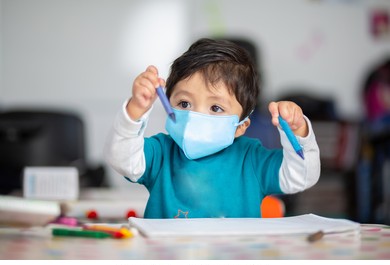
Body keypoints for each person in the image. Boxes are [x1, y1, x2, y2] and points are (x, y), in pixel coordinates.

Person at [104, 38, 320, 219]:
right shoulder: (161, 152)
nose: (194, 116)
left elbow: (302, 175)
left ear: (241, 126)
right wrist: (136, 109)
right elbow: (123, 159)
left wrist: (297, 131)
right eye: (184, 104)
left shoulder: (251, 160)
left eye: (216, 107)